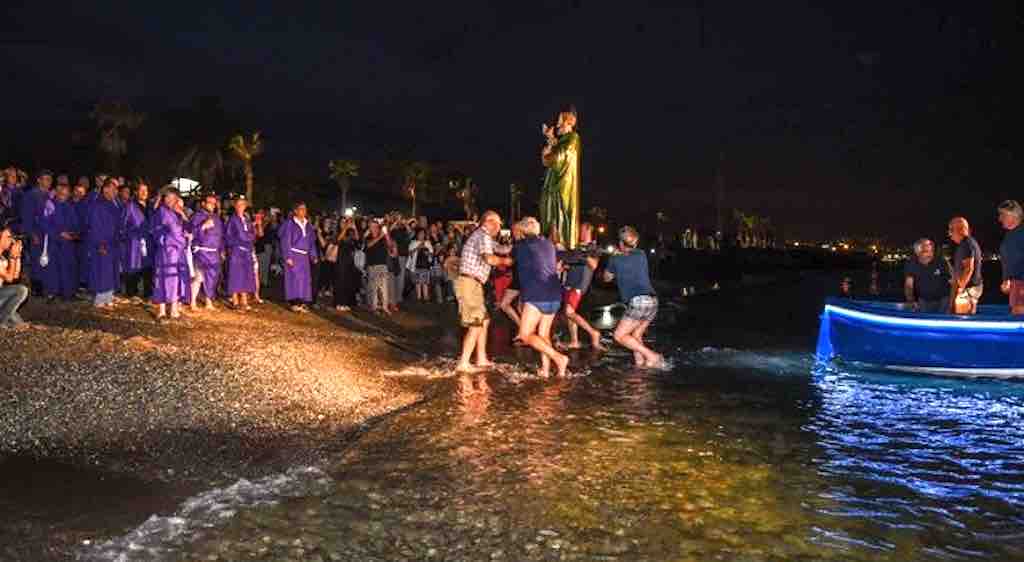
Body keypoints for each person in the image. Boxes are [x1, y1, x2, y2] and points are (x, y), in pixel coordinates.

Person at [455, 210, 513, 372]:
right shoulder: (483, 236)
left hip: (473, 283)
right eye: (498, 223)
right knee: (476, 323)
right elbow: (490, 258)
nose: (499, 227)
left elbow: (501, 248)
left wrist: (517, 248)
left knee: (484, 320)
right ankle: (464, 362)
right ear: (488, 222)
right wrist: (506, 261)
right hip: (470, 283)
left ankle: (481, 358)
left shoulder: (483, 237)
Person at [513, 217, 570, 378]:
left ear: (523, 231)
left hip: (537, 295)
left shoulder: (522, 246)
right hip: (554, 295)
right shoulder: (548, 244)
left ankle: (559, 358)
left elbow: (507, 255)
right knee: (543, 335)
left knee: (525, 335)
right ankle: (546, 370)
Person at [603, 226, 664, 368]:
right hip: (653, 301)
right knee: (635, 336)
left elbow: (607, 278)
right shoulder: (642, 254)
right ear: (636, 243)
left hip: (638, 302)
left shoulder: (615, 259)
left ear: (620, 243)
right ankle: (641, 364)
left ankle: (652, 356)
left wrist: (612, 260)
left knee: (619, 336)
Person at [539, 107, 582, 249]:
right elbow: (557, 148)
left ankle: (561, 242)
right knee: (551, 214)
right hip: (554, 184)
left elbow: (560, 157)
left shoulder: (573, 138)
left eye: (560, 123)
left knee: (559, 214)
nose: (558, 126)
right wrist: (550, 139)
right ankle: (552, 240)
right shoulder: (564, 140)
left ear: (568, 123)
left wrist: (546, 156)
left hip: (562, 186)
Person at [559, 222, 606, 350]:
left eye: (582, 230)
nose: (580, 233)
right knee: (569, 313)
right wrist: (565, 265)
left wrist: (584, 255)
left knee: (569, 312)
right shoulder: (576, 247)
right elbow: (571, 264)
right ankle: (574, 341)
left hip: (580, 284)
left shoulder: (594, 247)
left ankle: (593, 333)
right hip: (569, 282)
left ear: (588, 230)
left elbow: (594, 265)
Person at [151, 188, 190, 320]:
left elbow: (187, 228)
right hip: (167, 250)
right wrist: (167, 240)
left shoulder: (178, 213)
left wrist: (183, 215)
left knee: (177, 279)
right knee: (163, 278)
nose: (171, 201)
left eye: (174, 199)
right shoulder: (161, 212)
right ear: (164, 198)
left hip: (178, 251)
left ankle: (174, 308)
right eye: (168, 198)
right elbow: (157, 230)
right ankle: (161, 310)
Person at [41, 182, 81, 301]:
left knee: (69, 267)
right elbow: (44, 223)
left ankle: (68, 293)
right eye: (61, 193)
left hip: (68, 243)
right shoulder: (50, 205)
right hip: (55, 242)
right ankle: (52, 293)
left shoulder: (70, 206)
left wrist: (74, 234)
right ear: (57, 193)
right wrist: (59, 234)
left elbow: (76, 224)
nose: (63, 195)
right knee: (54, 268)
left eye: (66, 193)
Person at [86, 178, 123, 308]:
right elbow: (95, 226)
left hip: (113, 242)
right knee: (102, 270)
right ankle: (100, 298)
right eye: (113, 189)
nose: (115, 192)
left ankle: (108, 296)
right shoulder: (98, 204)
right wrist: (100, 243)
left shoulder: (114, 204)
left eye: (116, 190)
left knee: (112, 270)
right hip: (102, 242)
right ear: (106, 189)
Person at [278, 201, 319, 312]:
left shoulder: (308, 225)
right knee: (294, 279)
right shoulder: (290, 224)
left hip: (304, 256)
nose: (303, 211)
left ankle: (302, 301)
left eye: (305, 209)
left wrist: (313, 255)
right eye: (301, 209)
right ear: (295, 211)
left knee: (304, 280)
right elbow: (285, 241)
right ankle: (294, 302)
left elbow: (311, 242)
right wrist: (288, 256)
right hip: (294, 254)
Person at [186, 193, 224, 310]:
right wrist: (203, 226)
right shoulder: (196, 216)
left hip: (214, 252)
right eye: (210, 203)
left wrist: (221, 249)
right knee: (198, 277)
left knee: (212, 278)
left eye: (214, 203)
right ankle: (192, 302)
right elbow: (190, 233)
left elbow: (221, 236)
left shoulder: (217, 218)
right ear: (203, 203)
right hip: (202, 252)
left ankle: (208, 301)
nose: (212, 205)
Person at [20, 170, 53, 295]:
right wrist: (31, 233)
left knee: (46, 259)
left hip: (48, 233)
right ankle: (36, 288)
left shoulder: (50, 195)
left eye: (49, 179)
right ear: (39, 180)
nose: (48, 182)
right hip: (37, 232)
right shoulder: (32, 195)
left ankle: (46, 285)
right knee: (36, 260)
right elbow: (27, 216)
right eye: (45, 179)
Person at [224, 196, 260, 311]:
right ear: (235, 206)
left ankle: (244, 299)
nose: (241, 207)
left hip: (246, 251)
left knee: (245, 275)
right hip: (236, 251)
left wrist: (248, 236)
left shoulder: (247, 219)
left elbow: (253, 234)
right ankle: (235, 301)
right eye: (238, 205)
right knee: (235, 275)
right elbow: (231, 236)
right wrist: (245, 237)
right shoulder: (232, 220)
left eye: (243, 205)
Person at [121, 181, 152, 300]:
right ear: (136, 192)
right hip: (134, 242)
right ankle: (131, 293)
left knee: (147, 266)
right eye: (142, 190)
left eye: (146, 191)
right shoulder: (130, 206)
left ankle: (147, 293)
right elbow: (122, 225)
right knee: (134, 265)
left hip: (148, 241)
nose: (144, 193)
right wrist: (129, 237)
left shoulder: (150, 206)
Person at [903, 238, 951, 313]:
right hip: (923, 301)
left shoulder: (942, 262)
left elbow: (953, 281)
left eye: (931, 251)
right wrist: (911, 300)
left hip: (944, 300)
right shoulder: (911, 264)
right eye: (926, 251)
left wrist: (953, 301)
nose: (930, 254)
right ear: (917, 252)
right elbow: (909, 285)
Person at [948, 216, 983, 315]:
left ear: (961, 229)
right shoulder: (966, 244)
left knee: (962, 319)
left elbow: (968, 269)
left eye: (951, 230)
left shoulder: (966, 244)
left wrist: (960, 290)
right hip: (969, 288)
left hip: (968, 289)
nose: (949, 234)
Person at [998, 200, 1024, 315]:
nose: (1000, 219)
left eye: (1002, 215)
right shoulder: (1009, 235)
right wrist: (1006, 279)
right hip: (1015, 285)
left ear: (1013, 215)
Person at [0, 225, 29, 329]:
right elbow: (9, 278)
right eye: (7, 237)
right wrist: (12, 257)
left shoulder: (2, 257)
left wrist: (17, 256)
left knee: (19, 324)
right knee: (21, 290)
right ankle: (1, 322)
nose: (11, 240)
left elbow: (15, 276)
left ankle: (5, 320)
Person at [363, 220, 392, 314]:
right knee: (374, 288)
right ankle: (374, 307)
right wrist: (381, 236)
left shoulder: (383, 237)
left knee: (384, 288)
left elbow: (390, 245)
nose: (374, 228)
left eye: (375, 226)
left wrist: (386, 234)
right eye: (371, 226)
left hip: (383, 265)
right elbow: (369, 245)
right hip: (372, 266)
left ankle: (384, 307)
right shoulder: (367, 237)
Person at [333, 221, 361, 311]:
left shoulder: (351, 234)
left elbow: (358, 242)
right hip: (341, 261)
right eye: (343, 222)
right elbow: (338, 240)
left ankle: (345, 303)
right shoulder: (339, 233)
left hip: (350, 262)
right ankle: (338, 302)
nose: (346, 223)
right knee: (340, 282)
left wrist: (354, 227)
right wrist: (345, 227)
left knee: (348, 283)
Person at [408, 228, 434, 302]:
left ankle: (425, 297)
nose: (421, 235)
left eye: (423, 234)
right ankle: (419, 297)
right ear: (417, 234)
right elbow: (410, 254)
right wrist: (417, 248)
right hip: (416, 265)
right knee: (418, 282)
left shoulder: (428, 243)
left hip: (425, 265)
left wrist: (428, 253)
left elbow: (432, 253)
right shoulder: (413, 242)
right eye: (420, 234)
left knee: (425, 282)